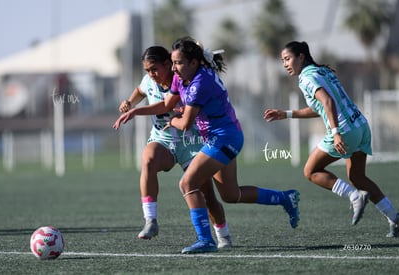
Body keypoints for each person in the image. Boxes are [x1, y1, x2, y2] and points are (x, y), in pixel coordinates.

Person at [163, 36, 300, 254]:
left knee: (187, 184)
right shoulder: (182, 77)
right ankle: (285, 198)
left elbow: (186, 124)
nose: (174, 68)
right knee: (230, 194)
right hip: (219, 138)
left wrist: (171, 120)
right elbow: (168, 102)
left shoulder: (200, 82)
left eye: (178, 63)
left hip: (225, 137)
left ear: (194, 62)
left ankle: (205, 240)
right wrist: (138, 106)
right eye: (172, 62)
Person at [264, 41, 399, 237]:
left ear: (301, 56)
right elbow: (321, 106)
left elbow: (327, 102)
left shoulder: (306, 77)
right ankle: (395, 219)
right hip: (360, 124)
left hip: (345, 130)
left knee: (310, 171)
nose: (285, 64)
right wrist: (286, 114)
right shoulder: (322, 72)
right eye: (283, 61)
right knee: (357, 177)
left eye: (287, 59)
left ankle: (355, 197)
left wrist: (336, 133)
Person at [112, 46, 232, 249]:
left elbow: (164, 106)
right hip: (163, 140)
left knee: (208, 197)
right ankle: (151, 220)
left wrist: (135, 112)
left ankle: (222, 234)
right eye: (147, 70)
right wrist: (129, 102)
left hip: (192, 142)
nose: (151, 74)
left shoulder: (181, 82)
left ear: (168, 64)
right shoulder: (149, 79)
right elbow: (141, 90)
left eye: (154, 69)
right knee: (148, 158)